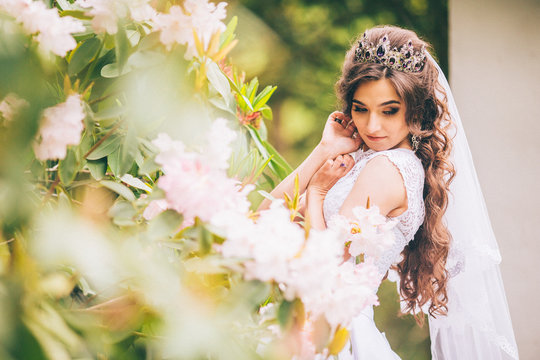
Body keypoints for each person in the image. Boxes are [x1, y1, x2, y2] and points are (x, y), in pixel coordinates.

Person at [261, 25, 519, 359]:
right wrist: (324, 149)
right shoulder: (363, 157)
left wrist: (318, 195)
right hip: (310, 326)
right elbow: (266, 217)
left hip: (335, 334)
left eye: (389, 110)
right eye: (360, 108)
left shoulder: (387, 170)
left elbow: (324, 270)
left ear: (416, 109)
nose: (372, 126)